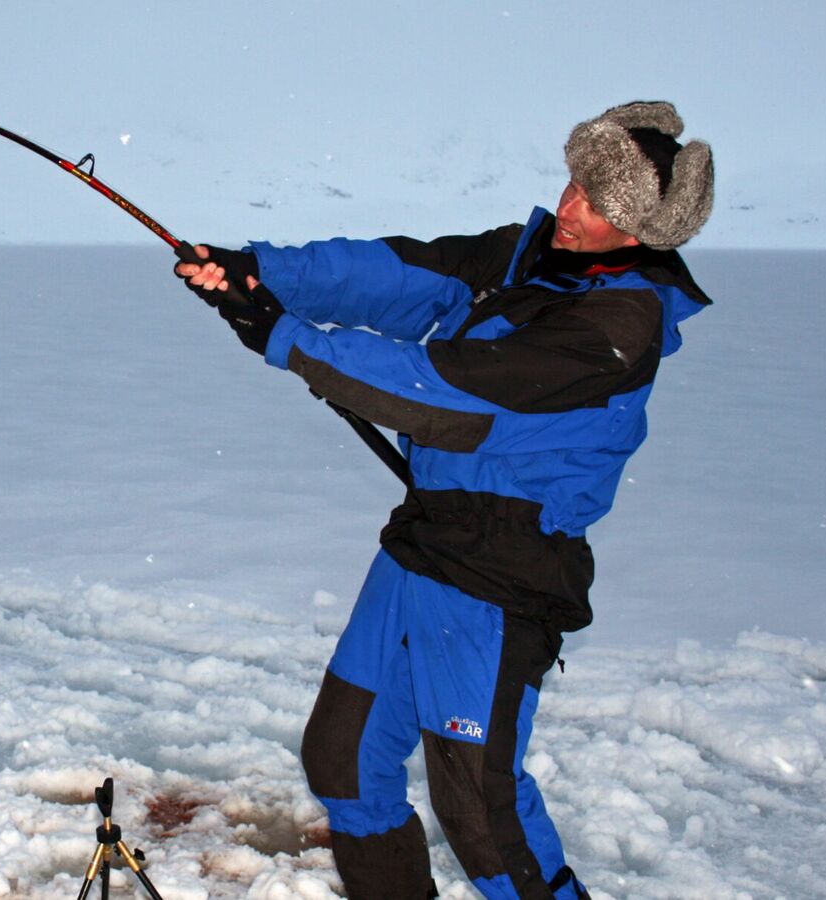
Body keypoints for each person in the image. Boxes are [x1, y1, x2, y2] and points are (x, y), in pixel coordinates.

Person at [174, 101, 714, 899]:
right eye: (572, 185)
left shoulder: (616, 324)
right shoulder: (525, 257)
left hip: (504, 571)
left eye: (595, 206)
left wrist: (284, 337)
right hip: (426, 540)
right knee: (346, 762)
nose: (569, 210)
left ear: (638, 228)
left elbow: (450, 395)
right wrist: (260, 273)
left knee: (483, 814)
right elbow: (400, 276)